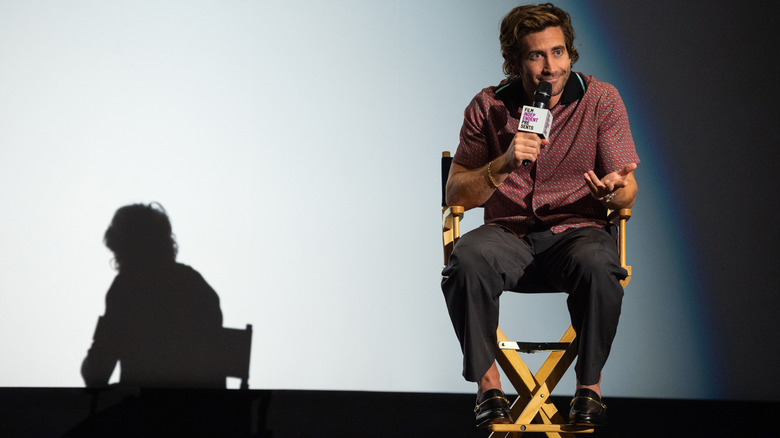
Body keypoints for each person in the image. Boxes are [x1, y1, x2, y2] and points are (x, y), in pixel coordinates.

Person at [441, 3, 639, 428]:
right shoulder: (488, 106)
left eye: (558, 52)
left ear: (571, 53)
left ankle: (589, 387)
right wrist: (505, 162)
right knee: (466, 259)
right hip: (506, 238)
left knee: (601, 264)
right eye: (536, 55)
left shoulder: (602, 100)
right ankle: (489, 386)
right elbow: (455, 191)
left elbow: (627, 191)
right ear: (515, 62)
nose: (551, 67)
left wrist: (616, 192)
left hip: (576, 234)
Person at [81, 203, 225, 388]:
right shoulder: (196, 284)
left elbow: (96, 373)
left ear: (122, 247)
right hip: (206, 411)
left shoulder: (126, 288)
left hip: (145, 411)